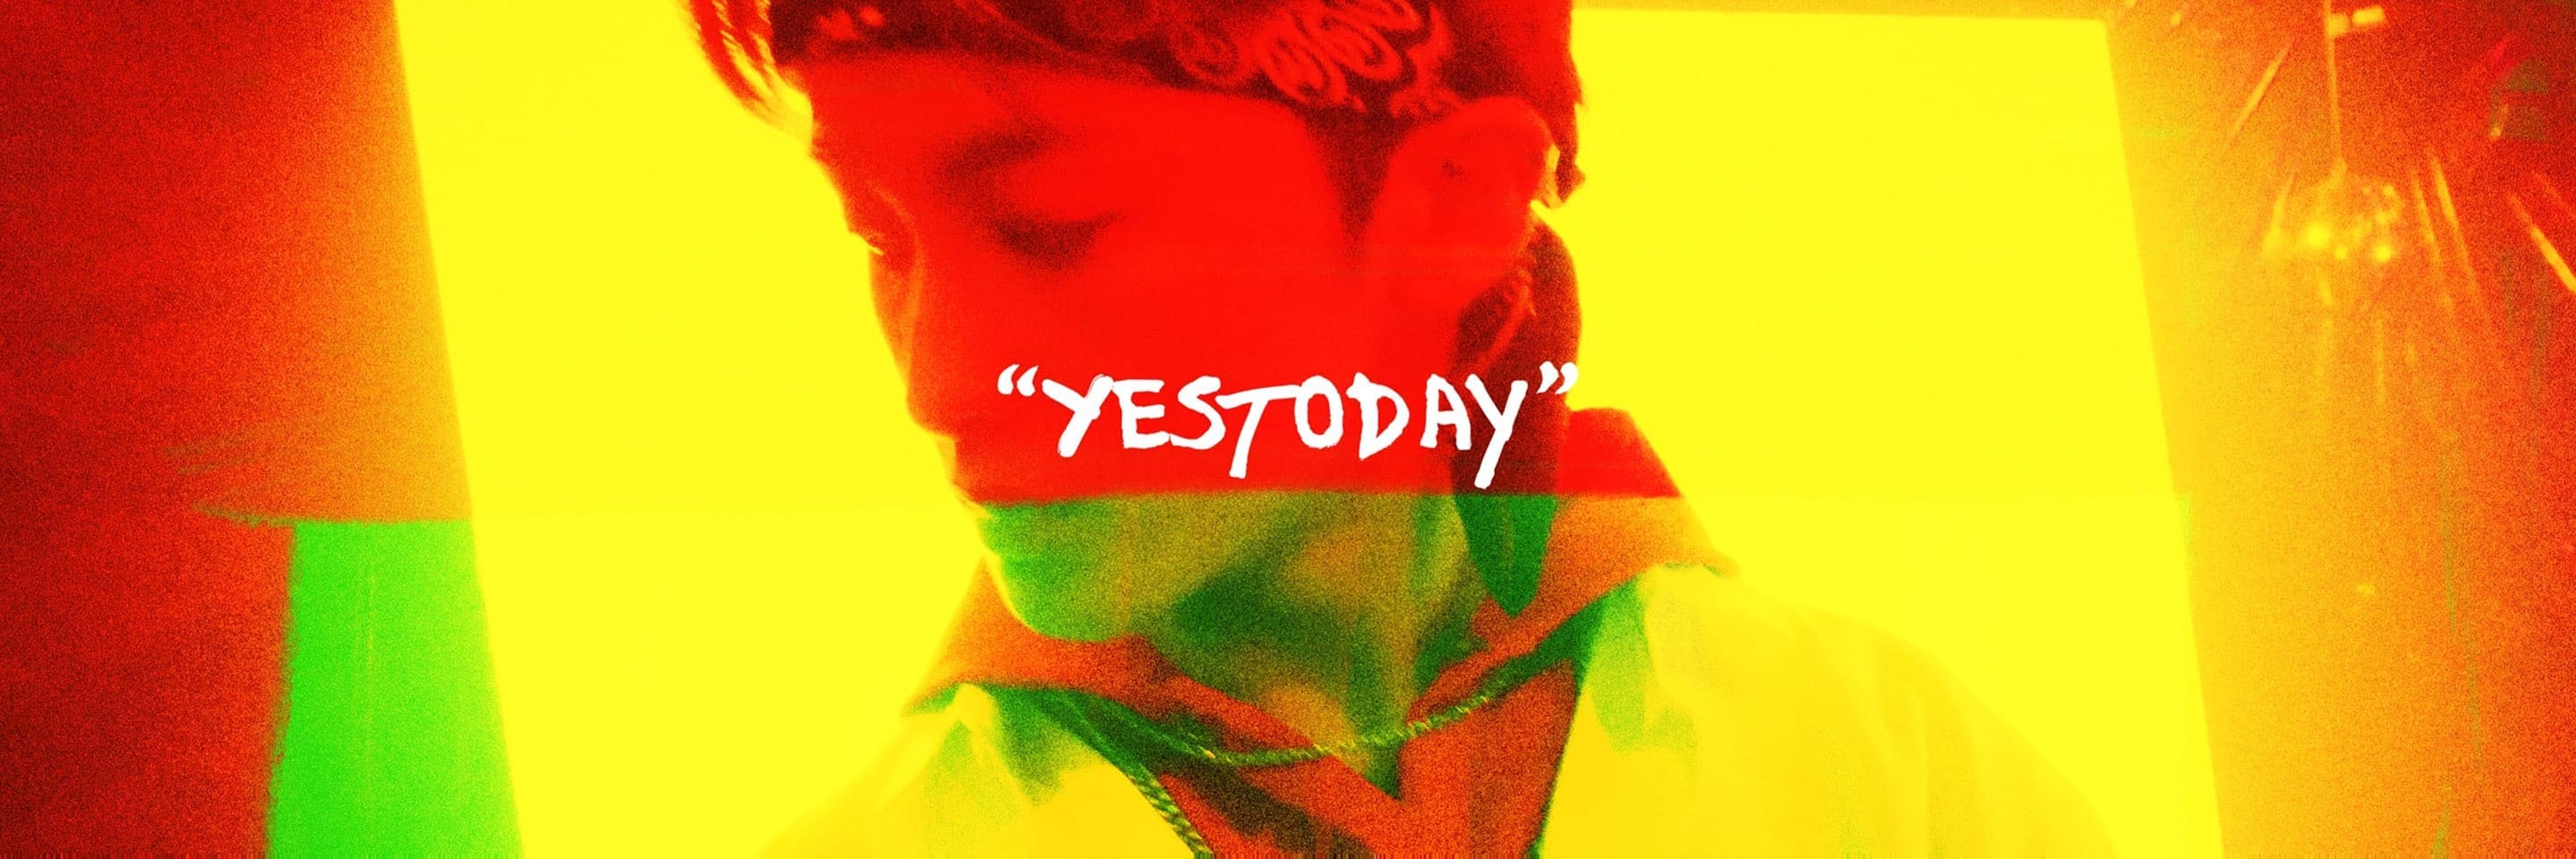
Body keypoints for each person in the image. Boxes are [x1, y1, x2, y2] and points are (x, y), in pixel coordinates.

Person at [687, 0, 2113, 853]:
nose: (935, 386)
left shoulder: (1883, 774)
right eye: (877, 238)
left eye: (1049, 227)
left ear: (1453, 204)